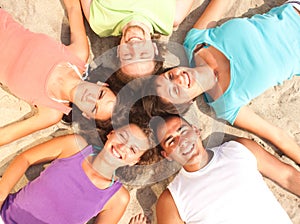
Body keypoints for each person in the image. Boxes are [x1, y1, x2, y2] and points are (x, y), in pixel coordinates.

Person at [145, 0, 300, 164]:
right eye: (175, 91)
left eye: (169, 76)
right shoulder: (227, 105)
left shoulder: (195, 41)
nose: (178, 79)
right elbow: (277, 136)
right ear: (187, 102)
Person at [0, 0, 116, 146]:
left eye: (94, 108)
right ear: (101, 84)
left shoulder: (51, 113)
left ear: (87, 115)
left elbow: (6, 135)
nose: (91, 98)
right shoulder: (78, 54)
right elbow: (73, 7)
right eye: (100, 94)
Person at [152, 114, 300, 224]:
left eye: (183, 131)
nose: (182, 141)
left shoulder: (239, 149)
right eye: (171, 140)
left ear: (196, 131)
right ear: (167, 155)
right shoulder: (171, 200)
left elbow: (288, 177)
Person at [0, 123, 150, 223]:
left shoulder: (118, 198)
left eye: (133, 149)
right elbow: (25, 159)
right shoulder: (74, 146)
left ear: (135, 161)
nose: (123, 147)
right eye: (123, 136)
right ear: (111, 133)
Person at [79, 0, 195, 80]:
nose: (134, 47)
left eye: (128, 56)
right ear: (155, 49)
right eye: (144, 54)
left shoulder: (100, 23)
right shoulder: (172, 17)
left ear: (119, 51)